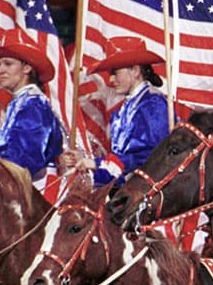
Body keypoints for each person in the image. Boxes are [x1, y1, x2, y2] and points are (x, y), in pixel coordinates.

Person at [58, 37, 168, 187]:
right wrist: (84, 160)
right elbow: (119, 164)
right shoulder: (123, 110)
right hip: (126, 189)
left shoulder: (153, 104)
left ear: (135, 70)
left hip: (147, 192)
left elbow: (155, 156)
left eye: (115, 73)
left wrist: (95, 163)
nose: (110, 79)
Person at [0, 30, 64, 181]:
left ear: (27, 68)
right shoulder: (21, 102)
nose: (0, 70)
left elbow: (26, 159)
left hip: (35, 190)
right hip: (18, 184)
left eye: (8, 64)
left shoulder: (34, 104)